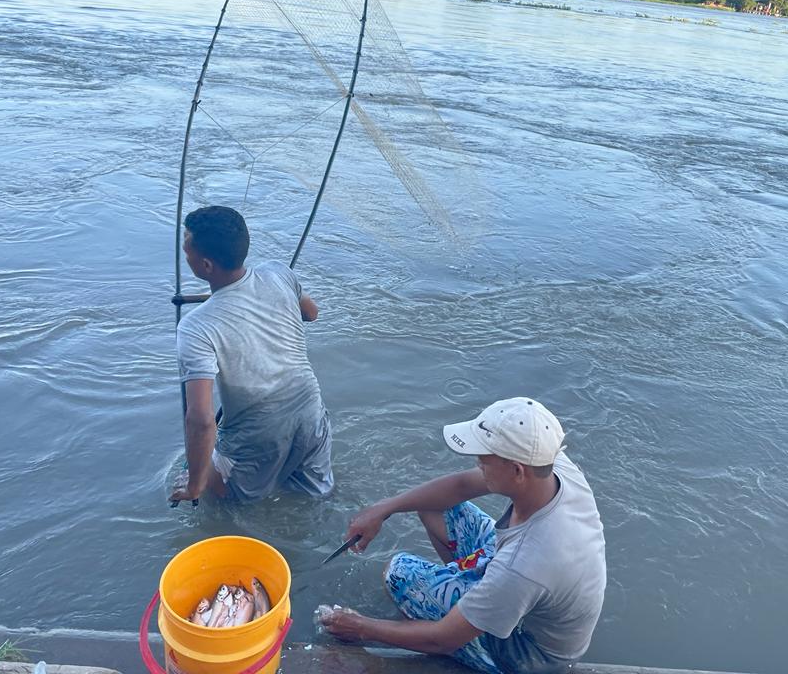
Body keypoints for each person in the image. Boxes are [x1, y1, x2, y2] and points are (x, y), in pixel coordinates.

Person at [320, 397, 606, 674]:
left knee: (398, 572)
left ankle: (457, 609)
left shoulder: (524, 566)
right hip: (523, 589)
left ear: (517, 471)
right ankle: (464, 598)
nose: (477, 463)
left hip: (526, 657)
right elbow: (458, 486)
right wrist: (383, 509)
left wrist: (359, 626)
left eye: (483, 459)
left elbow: (441, 639)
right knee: (433, 505)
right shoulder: (552, 465)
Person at [168, 205, 333, 504]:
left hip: (256, 435)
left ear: (205, 266)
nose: (185, 254)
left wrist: (195, 484)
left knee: (227, 505)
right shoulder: (279, 273)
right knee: (314, 501)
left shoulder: (195, 327)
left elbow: (202, 420)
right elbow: (311, 313)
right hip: (311, 411)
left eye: (186, 250)